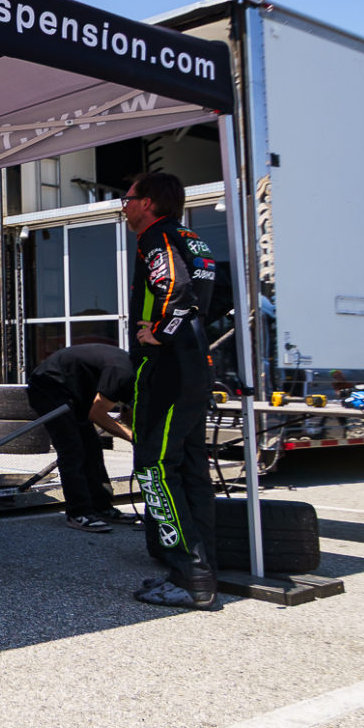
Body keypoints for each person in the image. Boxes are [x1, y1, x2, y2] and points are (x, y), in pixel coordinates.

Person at [122, 171, 220, 608]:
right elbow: (214, 293)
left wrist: (161, 331)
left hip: (166, 370)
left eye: (127, 199)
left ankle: (189, 577)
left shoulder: (156, 237)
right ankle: (205, 566)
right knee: (191, 468)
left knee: (154, 468)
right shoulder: (192, 239)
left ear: (148, 203)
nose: (124, 207)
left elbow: (176, 290)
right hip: (195, 366)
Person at [26, 341, 136, 533]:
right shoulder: (123, 373)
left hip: (76, 391)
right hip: (49, 386)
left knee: (92, 449)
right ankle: (78, 513)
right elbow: (96, 414)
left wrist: (139, 433)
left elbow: (128, 412)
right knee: (72, 450)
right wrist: (132, 437)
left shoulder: (137, 376)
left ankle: (102, 508)